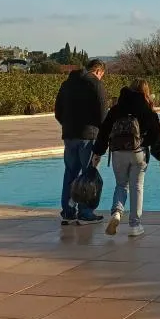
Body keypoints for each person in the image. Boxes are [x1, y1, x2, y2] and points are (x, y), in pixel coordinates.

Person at [92, 78, 160, 238]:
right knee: (137, 187)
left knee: (121, 185)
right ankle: (135, 225)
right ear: (145, 91)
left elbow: (104, 132)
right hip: (139, 152)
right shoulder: (147, 110)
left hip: (118, 153)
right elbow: (156, 136)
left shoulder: (116, 109)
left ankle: (116, 213)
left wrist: (97, 153)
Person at [54, 58, 108, 226]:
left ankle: (68, 212)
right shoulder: (95, 84)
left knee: (70, 173)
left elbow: (58, 111)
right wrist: (103, 134)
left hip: (69, 135)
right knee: (89, 174)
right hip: (88, 136)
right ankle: (85, 212)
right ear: (98, 71)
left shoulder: (67, 84)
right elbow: (103, 113)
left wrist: (68, 126)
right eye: (102, 75)